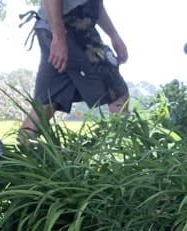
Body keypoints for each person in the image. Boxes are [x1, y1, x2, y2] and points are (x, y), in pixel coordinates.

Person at [20, 0, 129, 138]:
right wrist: (59, 36)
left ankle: (19, 152)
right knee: (118, 92)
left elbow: (96, 5)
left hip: (51, 27)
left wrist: (114, 35)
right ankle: (123, 152)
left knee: (47, 103)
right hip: (71, 26)